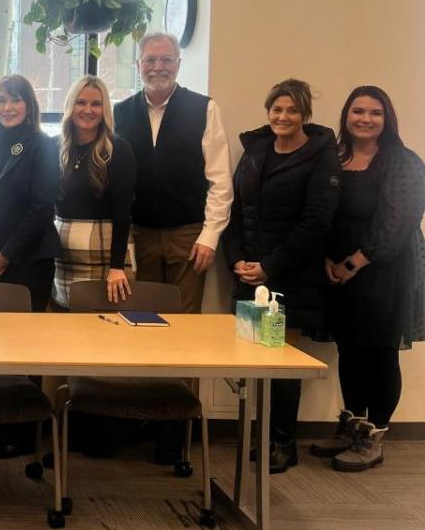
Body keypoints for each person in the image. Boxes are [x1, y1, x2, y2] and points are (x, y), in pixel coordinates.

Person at [221, 78, 341, 473]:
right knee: (255, 358)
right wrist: (236, 258)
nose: (283, 116)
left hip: (289, 277)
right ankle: (260, 435)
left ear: (305, 113)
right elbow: (237, 210)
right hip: (249, 274)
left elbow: (316, 221)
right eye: (277, 109)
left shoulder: (321, 156)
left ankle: (282, 443)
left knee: (282, 364)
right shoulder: (256, 151)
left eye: (291, 110)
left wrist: (270, 267)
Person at [315, 86, 425, 471]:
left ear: (387, 118)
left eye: (375, 112)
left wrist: (354, 263)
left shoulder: (402, 162)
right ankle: (352, 425)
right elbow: (324, 212)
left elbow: (398, 224)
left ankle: (373, 437)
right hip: (340, 273)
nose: (365, 119)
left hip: (385, 274)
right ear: (346, 115)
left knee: (380, 354)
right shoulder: (336, 158)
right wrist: (330, 258)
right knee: (350, 351)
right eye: (357, 111)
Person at [113, 33, 233, 313]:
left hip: (189, 236)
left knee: (185, 320)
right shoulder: (120, 112)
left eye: (166, 60)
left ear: (178, 64)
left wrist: (210, 236)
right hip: (139, 235)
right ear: (138, 64)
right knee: (141, 316)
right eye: (151, 60)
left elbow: (220, 180)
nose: (158, 67)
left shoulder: (204, 108)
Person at [0, 75, 60, 312]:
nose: (7, 108)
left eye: (15, 100)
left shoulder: (43, 145)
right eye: (1, 101)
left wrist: (7, 255)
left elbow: (41, 209)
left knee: (25, 342)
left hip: (30, 261)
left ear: (29, 106)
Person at [53, 76, 136, 309]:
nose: (88, 110)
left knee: (104, 325)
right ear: (71, 106)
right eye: (80, 102)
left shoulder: (118, 148)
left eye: (96, 104)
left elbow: (123, 213)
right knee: (65, 325)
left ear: (105, 109)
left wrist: (117, 266)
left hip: (105, 250)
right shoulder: (54, 147)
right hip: (64, 252)